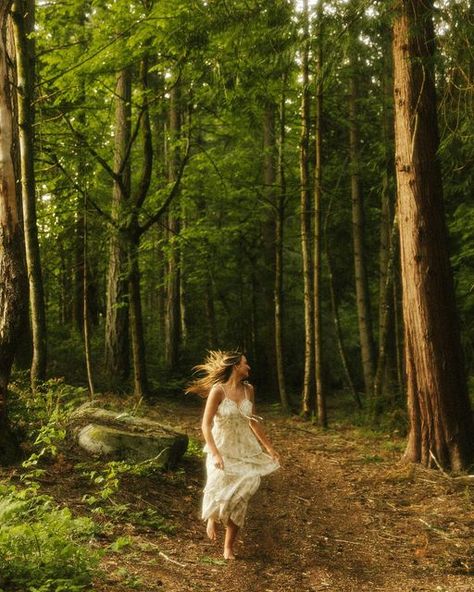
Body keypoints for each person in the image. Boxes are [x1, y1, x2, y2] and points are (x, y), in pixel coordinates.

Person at [186, 350, 280, 560]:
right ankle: (213, 514)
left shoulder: (249, 390)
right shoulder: (218, 390)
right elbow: (205, 425)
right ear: (236, 366)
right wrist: (215, 453)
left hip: (245, 450)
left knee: (244, 491)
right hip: (221, 448)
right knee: (218, 487)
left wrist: (269, 448)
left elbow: (253, 421)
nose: (249, 367)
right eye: (246, 363)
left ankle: (228, 547)